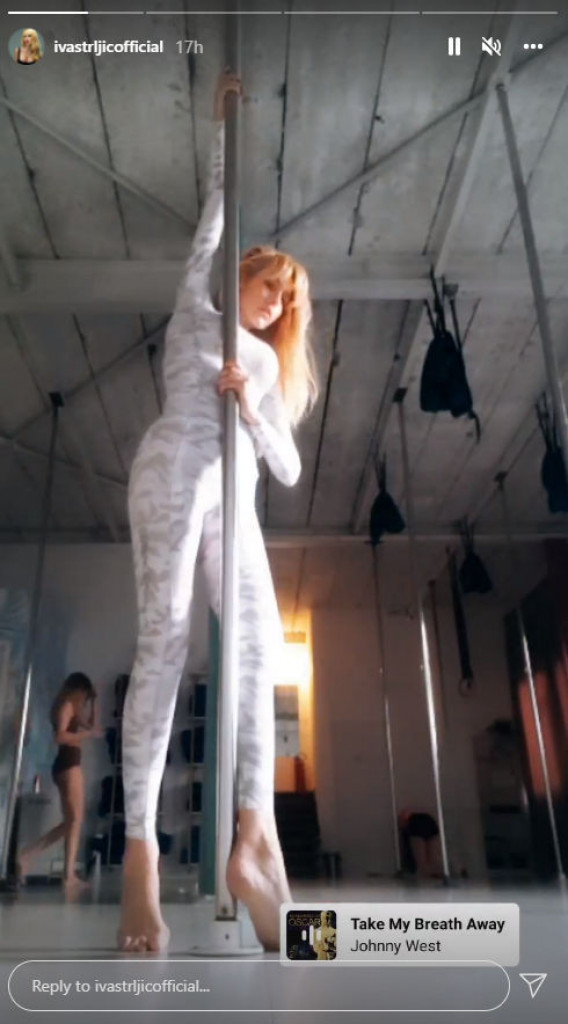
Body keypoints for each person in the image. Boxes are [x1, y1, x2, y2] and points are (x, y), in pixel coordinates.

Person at [118, 69, 318, 954]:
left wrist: (248, 405)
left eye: (286, 300)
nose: (275, 302)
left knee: (260, 641)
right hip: (175, 464)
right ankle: (140, 856)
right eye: (269, 284)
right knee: (163, 640)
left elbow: (287, 468)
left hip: (234, 484)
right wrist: (224, 129)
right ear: (242, 274)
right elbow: (216, 211)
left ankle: (255, 837)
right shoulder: (194, 306)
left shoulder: (267, 369)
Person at [17, 672, 102, 893]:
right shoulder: (66, 706)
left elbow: (91, 726)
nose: (84, 699)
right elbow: (60, 737)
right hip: (68, 765)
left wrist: (94, 702)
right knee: (75, 821)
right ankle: (67, 875)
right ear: (76, 690)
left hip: (68, 764)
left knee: (72, 822)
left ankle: (30, 857)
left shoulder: (71, 708)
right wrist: (86, 736)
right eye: (84, 695)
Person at [398, 808, 443, 879]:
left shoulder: (413, 824)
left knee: (423, 858)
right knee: (430, 856)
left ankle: (427, 873)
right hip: (430, 829)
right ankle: (432, 872)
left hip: (423, 831)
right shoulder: (422, 819)